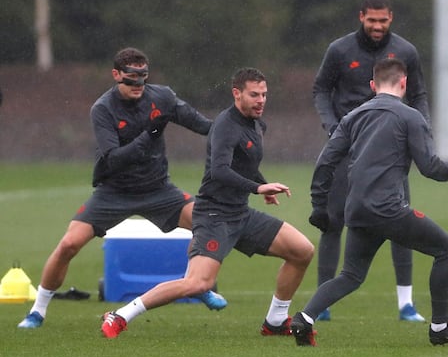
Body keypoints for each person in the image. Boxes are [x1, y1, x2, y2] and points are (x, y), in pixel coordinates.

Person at [18, 48, 227, 330]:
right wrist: (149, 134)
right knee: (68, 244)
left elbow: (203, 125)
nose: (137, 88)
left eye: (142, 81)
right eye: (131, 81)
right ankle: (37, 311)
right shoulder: (103, 109)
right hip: (113, 192)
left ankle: (198, 284)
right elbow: (113, 158)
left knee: (208, 222)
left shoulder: (162, 97)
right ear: (116, 75)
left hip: (159, 190)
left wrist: (233, 128)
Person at [100, 67, 315, 339]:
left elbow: (244, 164)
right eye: (254, 94)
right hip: (214, 215)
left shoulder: (257, 124)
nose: (261, 100)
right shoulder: (225, 125)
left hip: (240, 213)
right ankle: (120, 315)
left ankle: (274, 321)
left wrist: (261, 184)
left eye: (264, 94)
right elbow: (220, 170)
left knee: (302, 250)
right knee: (198, 283)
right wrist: (258, 187)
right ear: (236, 93)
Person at [290, 58, 448, 346]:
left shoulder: (353, 116)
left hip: (356, 209)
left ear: (372, 85)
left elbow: (325, 162)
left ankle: (303, 319)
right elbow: (432, 170)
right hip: (389, 209)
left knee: (351, 275)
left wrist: (319, 205)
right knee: (447, 250)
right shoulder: (411, 117)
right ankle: (440, 327)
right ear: (404, 82)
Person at [311, 0, 428, 322]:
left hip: (390, 151)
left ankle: (406, 304)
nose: (377, 26)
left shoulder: (406, 52)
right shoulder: (339, 50)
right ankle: (322, 304)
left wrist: (423, 128)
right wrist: (333, 127)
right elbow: (320, 90)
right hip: (348, 148)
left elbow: (418, 94)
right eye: (371, 20)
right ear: (361, 16)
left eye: (383, 21)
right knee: (333, 222)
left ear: (391, 19)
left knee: (401, 223)